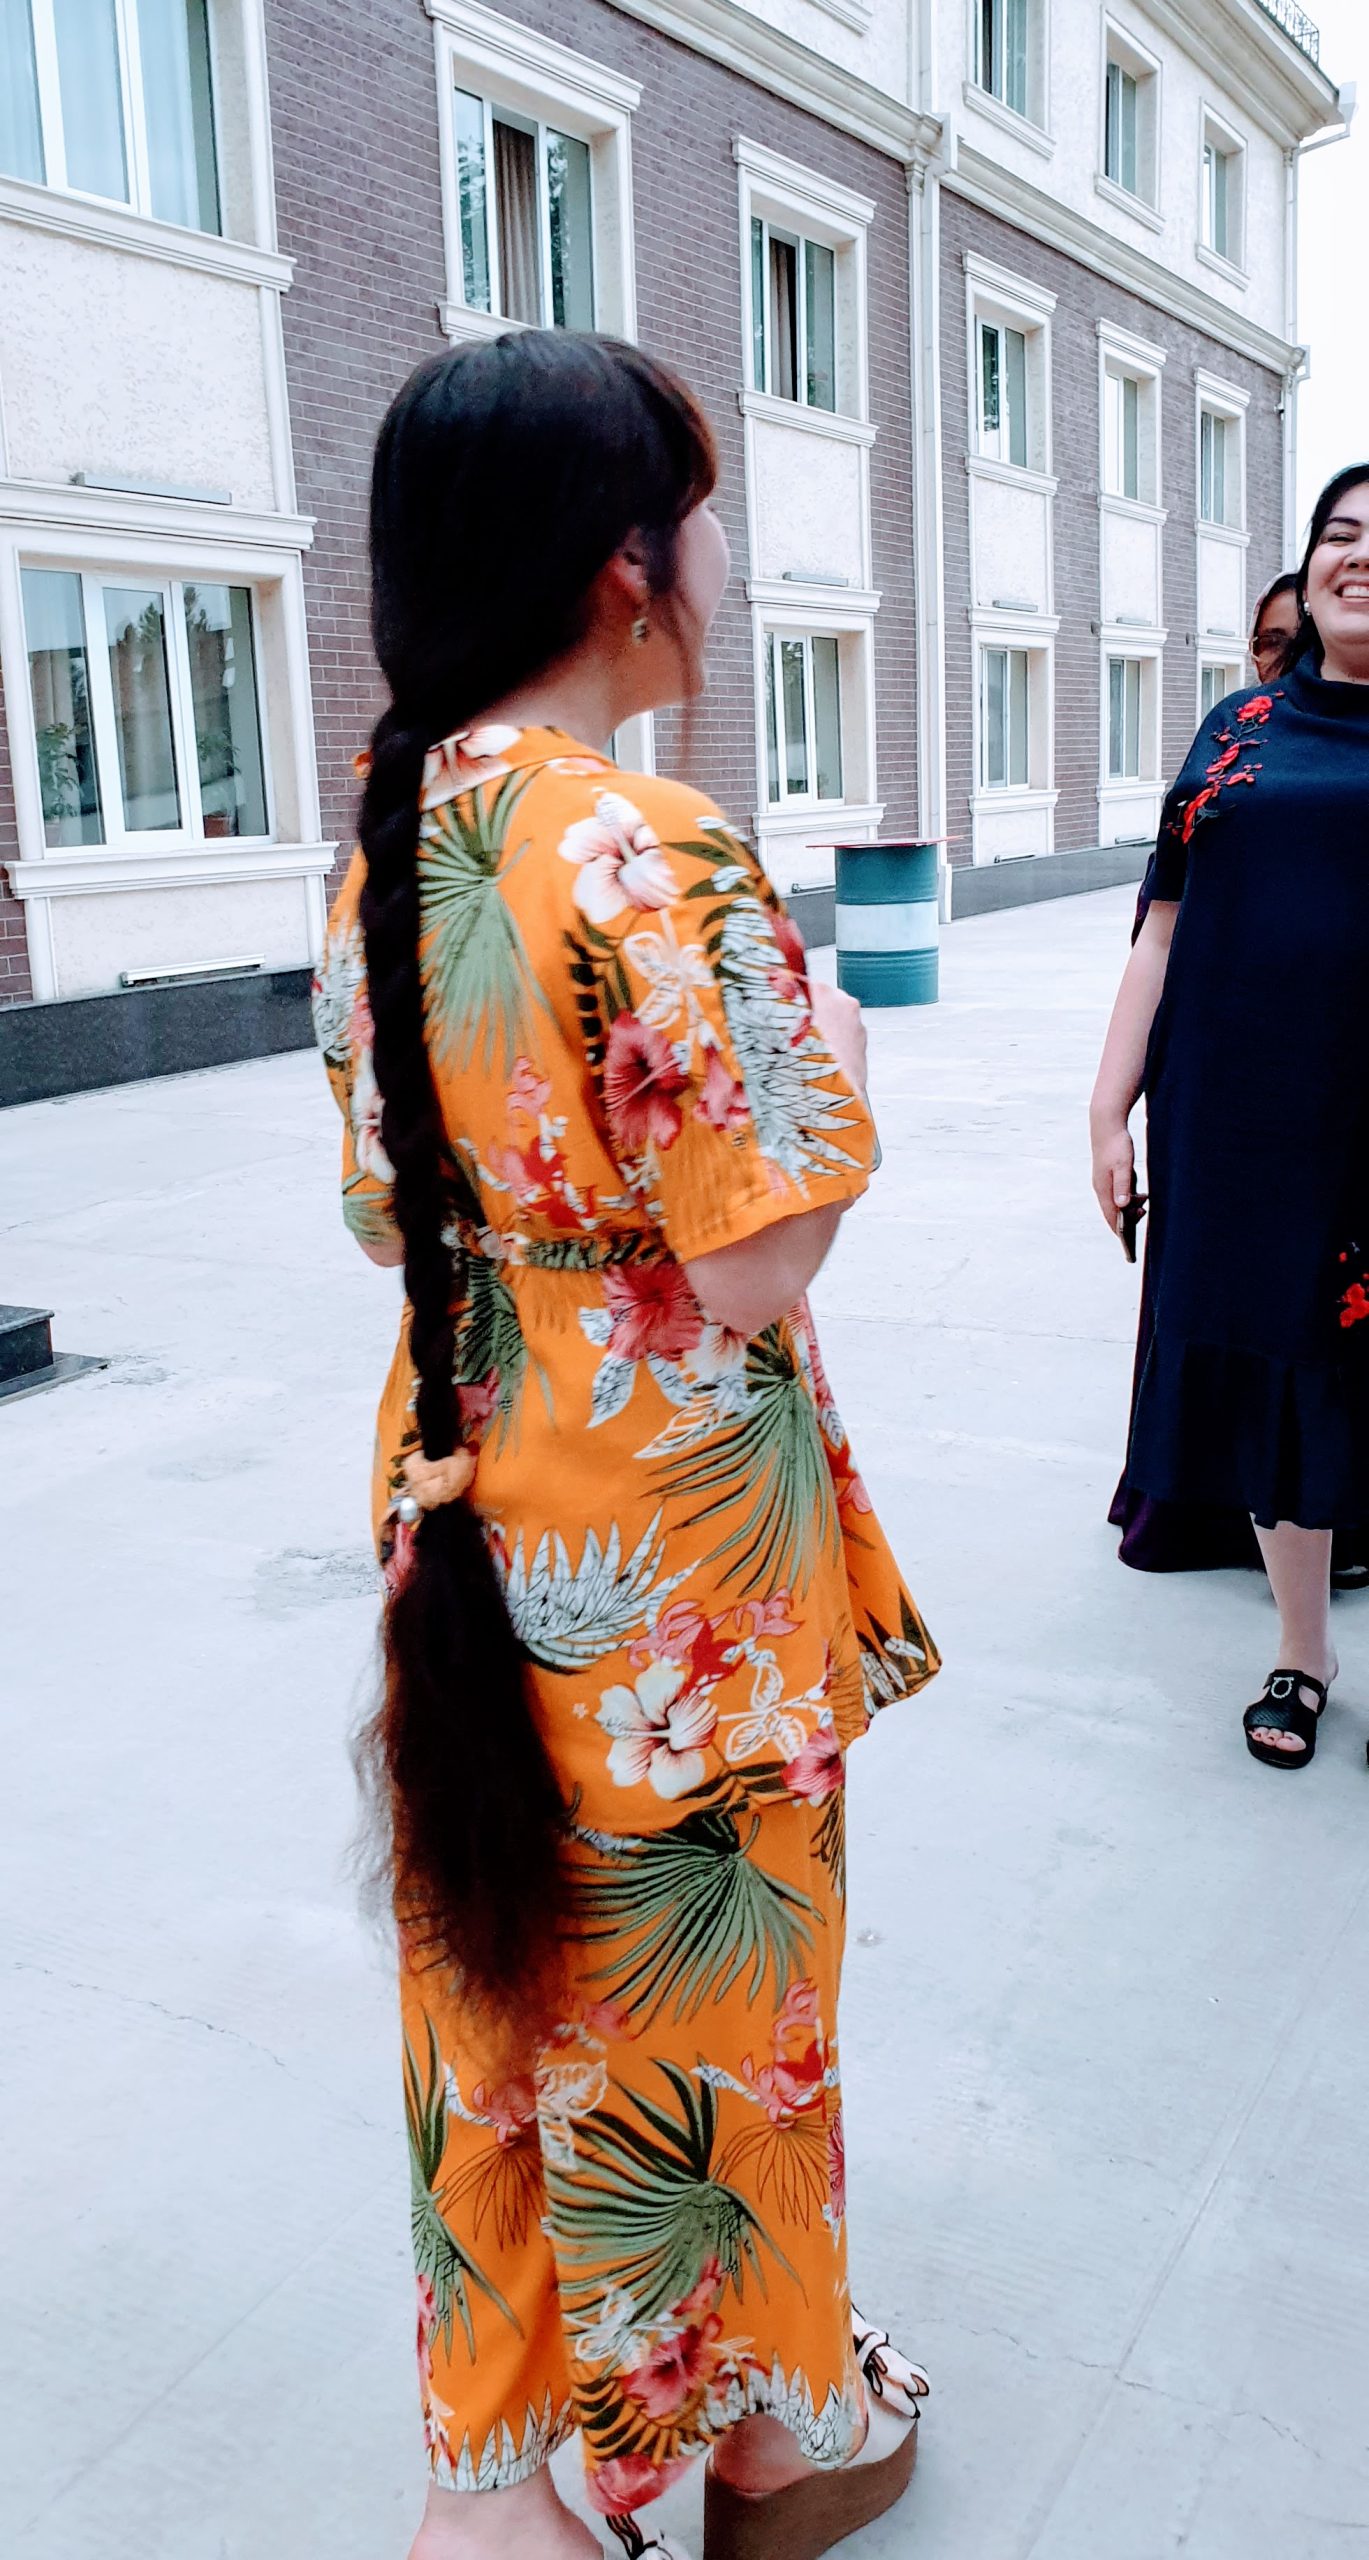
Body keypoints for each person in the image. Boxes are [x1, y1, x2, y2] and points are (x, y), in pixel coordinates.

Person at [313, 333, 939, 2560]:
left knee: (486, 1963)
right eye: (701, 513)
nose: (717, 558)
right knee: (711, 1988)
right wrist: (833, 1042)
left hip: (462, 1469)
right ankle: (766, 2438)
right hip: (668, 1533)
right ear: (622, 568)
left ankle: (490, 2496)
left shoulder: (388, 829)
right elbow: (754, 1260)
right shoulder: (648, 845)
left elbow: (384, 1204)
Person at [1091, 462, 1369, 1769]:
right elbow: (1161, 930)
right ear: (1308, 567)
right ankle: (1301, 1654)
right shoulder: (1234, 727)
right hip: (1240, 1124)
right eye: (1340, 533)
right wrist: (1109, 1109)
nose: (1359, 557)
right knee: (1271, 1375)